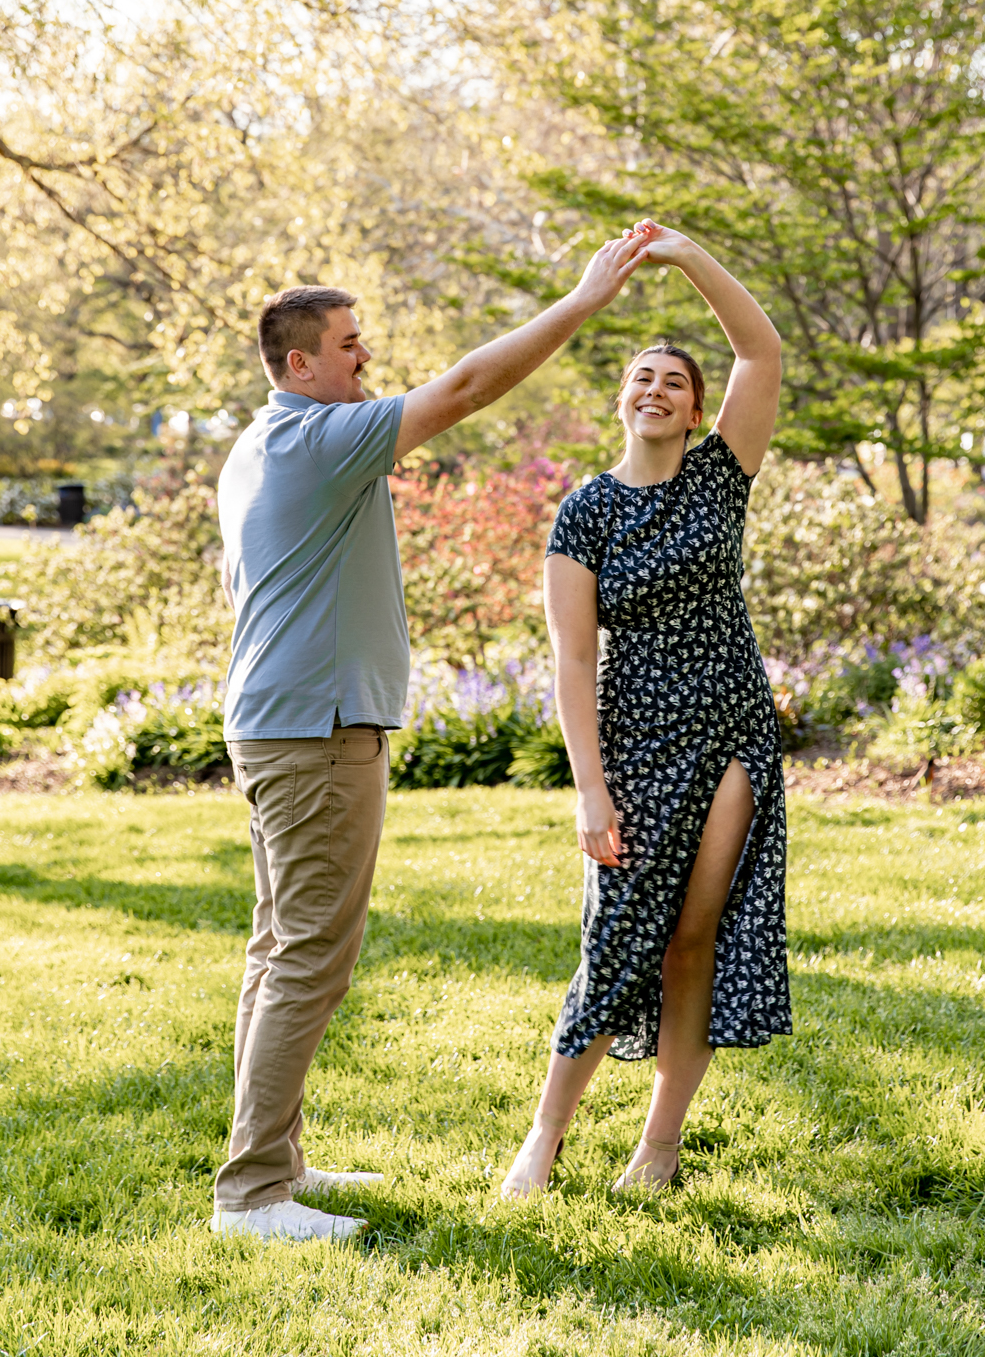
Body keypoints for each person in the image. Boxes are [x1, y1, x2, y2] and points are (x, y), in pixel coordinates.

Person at [211, 233, 652, 1244]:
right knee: (307, 957)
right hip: (316, 732)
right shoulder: (316, 437)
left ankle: (273, 1161)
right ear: (300, 364)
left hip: (285, 723)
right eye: (350, 344)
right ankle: (249, 1196)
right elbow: (462, 388)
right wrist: (582, 299)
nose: (366, 358)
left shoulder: (254, 446)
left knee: (281, 947)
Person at [499, 220, 788, 1200]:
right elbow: (572, 657)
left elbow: (763, 347)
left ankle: (659, 1146)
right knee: (615, 938)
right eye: (640, 377)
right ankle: (544, 1136)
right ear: (621, 400)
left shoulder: (719, 475)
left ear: (695, 406)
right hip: (631, 744)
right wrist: (590, 788)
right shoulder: (585, 510)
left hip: (733, 729)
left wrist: (686, 253)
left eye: (673, 379)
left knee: (692, 934)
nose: (654, 388)